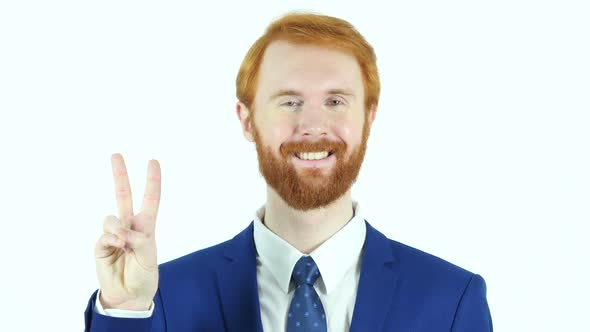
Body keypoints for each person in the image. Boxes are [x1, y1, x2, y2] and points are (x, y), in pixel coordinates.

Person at [84, 12, 493, 332]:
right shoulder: (162, 297)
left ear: (369, 118)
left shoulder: (451, 300)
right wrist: (125, 312)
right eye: (289, 102)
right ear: (247, 120)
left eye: (335, 101)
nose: (313, 125)